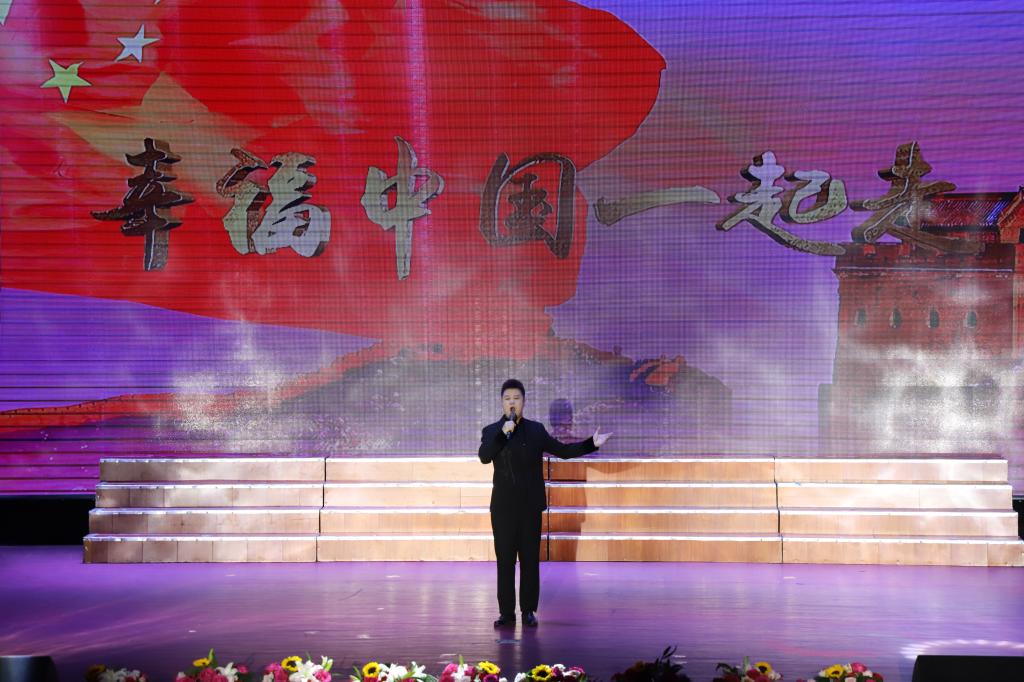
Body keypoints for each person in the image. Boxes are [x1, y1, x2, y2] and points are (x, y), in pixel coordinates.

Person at [478, 379, 612, 628]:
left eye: (516, 398)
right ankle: (506, 613)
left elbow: (563, 451)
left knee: (530, 561)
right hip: (503, 509)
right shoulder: (492, 431)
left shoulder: (536, 430)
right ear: (502, 402)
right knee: (505, 561)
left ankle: (529, 610)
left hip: (530, 507)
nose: (512, 402)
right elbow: (484, 456)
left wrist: (591, 444)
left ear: (524, 402)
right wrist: (503, 434)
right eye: (507, 398)